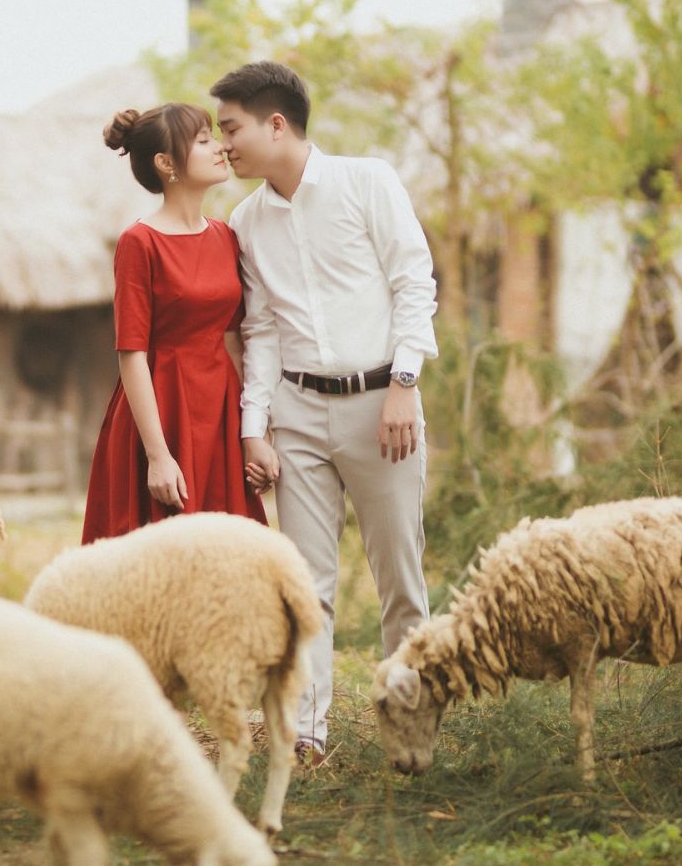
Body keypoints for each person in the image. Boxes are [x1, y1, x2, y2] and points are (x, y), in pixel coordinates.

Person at [216, 61, 438, 766]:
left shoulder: (367, 182)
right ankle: (305, 736)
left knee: (399, 571)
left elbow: (413, 279)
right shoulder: (245, 220)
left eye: (232, 128)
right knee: (307, 582)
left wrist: (404, 380)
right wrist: (255, 426)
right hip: (298, 413)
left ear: (275, 123)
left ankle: (408, 724)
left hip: (383, 405)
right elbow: (260, 331)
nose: (225, 146)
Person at [82, 103, 269, 543]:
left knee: (229, 554)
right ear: (166, 163)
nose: (220, 147)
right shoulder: (139, 242)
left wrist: (252, 431)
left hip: (219, 410)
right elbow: (132, 355)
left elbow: (235, 340)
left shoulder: (226, 235)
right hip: (161, 411)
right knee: (157, 560)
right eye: (203, 141)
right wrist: (158, 455)